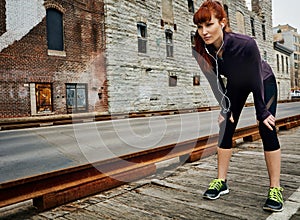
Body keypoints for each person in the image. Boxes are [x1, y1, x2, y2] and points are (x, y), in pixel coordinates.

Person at [192, 0, 283, 212]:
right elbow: (214, 81)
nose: (204, 31)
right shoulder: (200, 48)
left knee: (266, 127)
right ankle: (221, 181)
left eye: (209, 24)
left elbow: (254, 78)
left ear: (222, 23)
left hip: (262, 80)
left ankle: (275, 188)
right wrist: (225, 109)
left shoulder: (245, 44)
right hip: (236, 84)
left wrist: (262, 111)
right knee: (225, 127)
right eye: (199, 26)